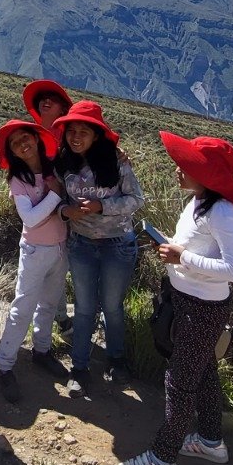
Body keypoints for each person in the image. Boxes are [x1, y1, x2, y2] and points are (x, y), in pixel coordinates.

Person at [118, 132, 233, 465]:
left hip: (202, 308)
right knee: (204, 372)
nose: (178, 169)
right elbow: (199, 249)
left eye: (187, 165)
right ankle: (211, 441)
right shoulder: (200, 201)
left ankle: (162, 461)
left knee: (179, 381)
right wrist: (173, 248)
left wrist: (182, 256)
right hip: (187, 300)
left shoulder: (224, 212)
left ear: (208, 175)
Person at [53, 101, 145, 398]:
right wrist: (67, 212)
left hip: (117, 244)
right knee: (83, 308)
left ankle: (116, 361)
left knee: (112, 307)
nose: (75, 137)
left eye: (83, 131)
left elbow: (136, 200)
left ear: (97, 135)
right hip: (81, 244)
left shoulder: (117, 162)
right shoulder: (62, 164)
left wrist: (100, 206)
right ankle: (79, 368)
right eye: (71, 131)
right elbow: (55, 202)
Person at [0, 120, 71, 403]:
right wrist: (54, 195)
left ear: (37, 139)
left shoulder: (54, 168)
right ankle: (4, 364)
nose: (23, 144)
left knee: (49, 304)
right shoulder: (19, 180)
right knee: (22, 307)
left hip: (60, 247)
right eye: (15, 143)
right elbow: (31, 219)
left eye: (26, 137)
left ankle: (42, 350)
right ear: (12, 152)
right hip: (36, 249)